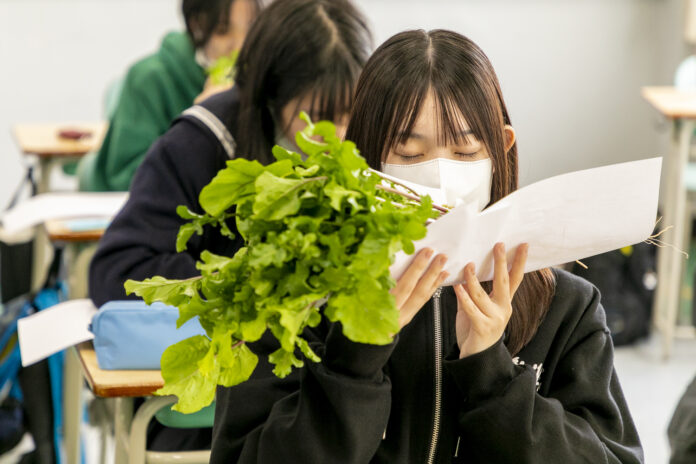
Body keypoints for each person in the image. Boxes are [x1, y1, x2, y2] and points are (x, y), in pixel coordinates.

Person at [209, 30, 644, 463]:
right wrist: (353, 361)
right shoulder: (294, 296)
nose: (441, 176)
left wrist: (492, 374)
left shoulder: (566, 306)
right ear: (361, 158)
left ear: (502, 149)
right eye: (411, 154)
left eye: (466, 150)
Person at [88, 0, 371, 308]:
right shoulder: (200, 142)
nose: (338, 135)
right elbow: (116, 272)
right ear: (272, 95)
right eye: (317, 116)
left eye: (348, 114)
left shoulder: (357, 140)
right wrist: (242, 281)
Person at [79, 0, 260, 192]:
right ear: (196, 25)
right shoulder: (148, 78)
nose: (240, 46)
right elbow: (127, 177)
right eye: (223, 31)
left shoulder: (256, 78)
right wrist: (202, 119)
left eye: (251, 29)